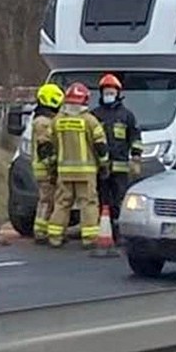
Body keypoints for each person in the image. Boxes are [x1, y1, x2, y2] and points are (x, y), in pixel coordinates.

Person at [46, 82, 110, 248]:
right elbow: (100, 146)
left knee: (61, 203)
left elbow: (46, 145)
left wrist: (51, 166)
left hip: (63, 172)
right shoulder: (90, 121)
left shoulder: (57, 121)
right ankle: (89, 239)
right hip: (86, 172)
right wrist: (104, 165)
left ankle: (55, 236)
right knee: (88, 203)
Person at [91, 73, 143, 244]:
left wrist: (136, 158)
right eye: (106, 91)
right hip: (100, 167)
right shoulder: (94, 115)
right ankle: (103, 231)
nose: (108, 94)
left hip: (120, 168)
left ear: (118, 93)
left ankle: (120, 232)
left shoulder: (127, 116)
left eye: (111, 91)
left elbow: (135, 138)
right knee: (101, 199)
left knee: (119, 200)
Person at [30, 83, 64, 243]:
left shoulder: (43, 119)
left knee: (48, 200)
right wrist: (52, 167)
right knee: (47, 200)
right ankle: (42, 232)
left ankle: (42, 230)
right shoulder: (43, 122)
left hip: (43, 168)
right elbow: (45, 147)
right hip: (45, 169)